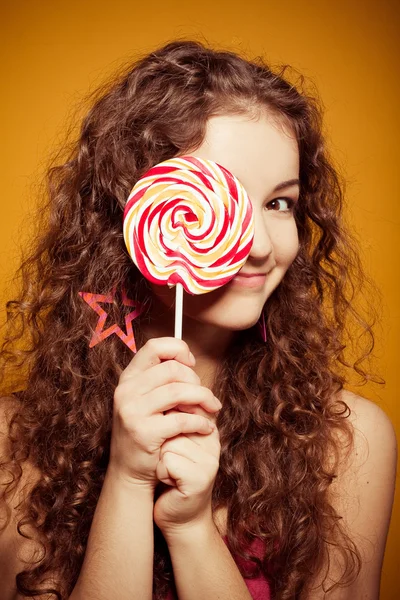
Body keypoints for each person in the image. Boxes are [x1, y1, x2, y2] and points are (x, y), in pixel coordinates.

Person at [0, 39, 397, 600]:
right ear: (135, 216)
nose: (259, 245)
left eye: (280, 202)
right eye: (219, 201)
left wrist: (189, 530)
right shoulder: (13, 447)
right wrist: (128, 479)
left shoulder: (349, 443)